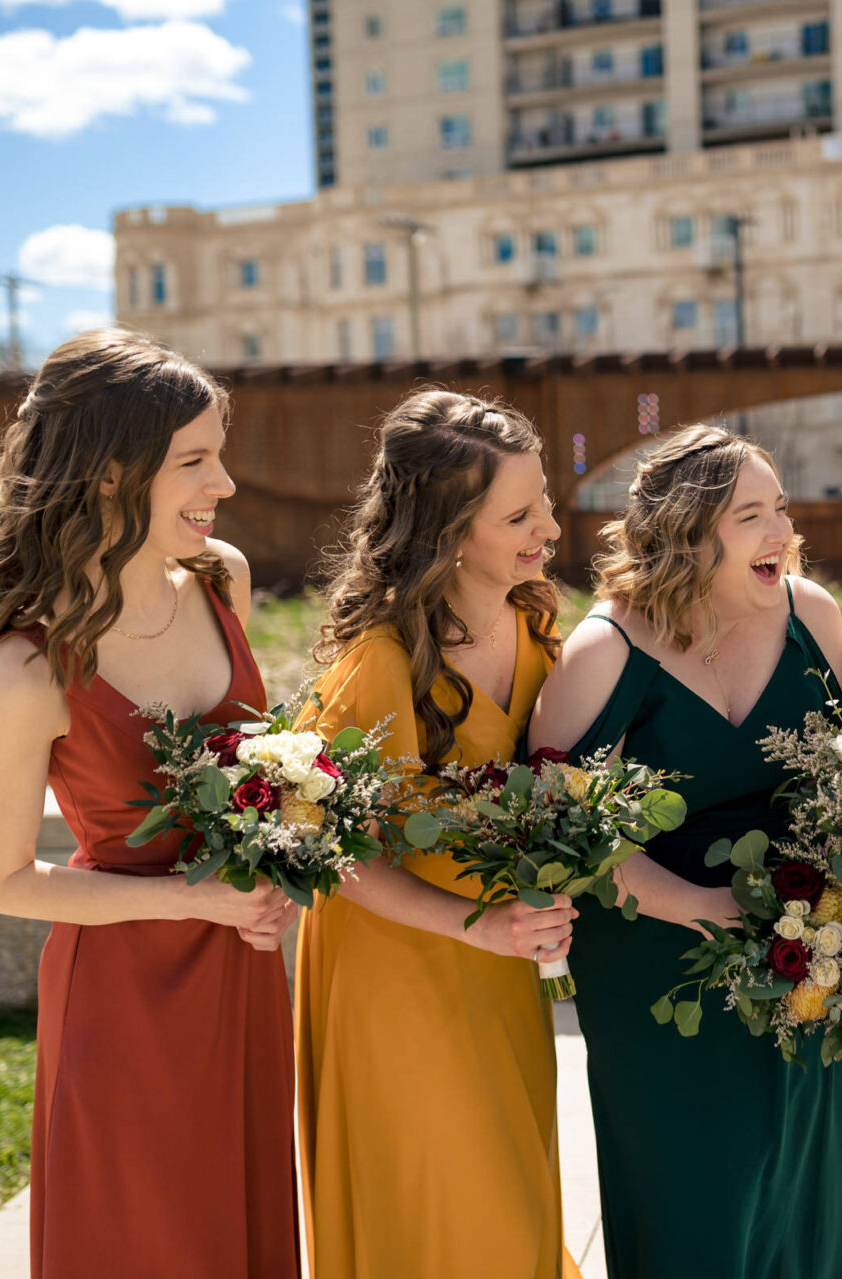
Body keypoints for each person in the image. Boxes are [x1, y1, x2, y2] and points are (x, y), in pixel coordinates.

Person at [0, 330, 298, 1277]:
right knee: (143, 1236)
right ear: (110, 474)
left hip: (244, 971)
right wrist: (196, 899)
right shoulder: (29, 667)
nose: (222, 484)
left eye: (217, 455)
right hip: (123, 999)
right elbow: (2, 880)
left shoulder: (223, 576)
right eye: (194, 462)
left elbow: (259, 771)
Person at [528, 424, 842, 1279]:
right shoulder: (605, 649)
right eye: (750, 517)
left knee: (801, 1185)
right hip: (657, 970)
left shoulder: (812, 613)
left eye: (781, 510)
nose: (781, 535)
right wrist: (693, 903)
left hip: (794, 951)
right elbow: (555, 831)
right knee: (693, 1196)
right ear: (691, 534)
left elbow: (840, 783)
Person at [292, 390, 580, 1279]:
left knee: (515, 1195)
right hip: (395, 974)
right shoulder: (376, 661)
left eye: (545, 503)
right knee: (441, 1207)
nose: (551, 530)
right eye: (521, 514)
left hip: (499, 967)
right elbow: (329, 850)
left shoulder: (535, 626)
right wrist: (483, 926)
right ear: (454, 529)